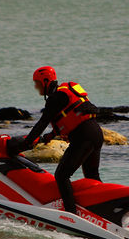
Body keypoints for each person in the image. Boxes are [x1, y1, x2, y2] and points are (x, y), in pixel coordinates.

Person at [7, 66, 103, 214]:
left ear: (46, 81)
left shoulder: (55, 98)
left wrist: (26, 144)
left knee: (61, 175)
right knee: (92, 176)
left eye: (37, 83)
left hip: (84, 137)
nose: (36, 87)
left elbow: (41, 123)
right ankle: (102, 209)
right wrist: (48, 137)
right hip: (95, 134)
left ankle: (71, 214)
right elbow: (66, 121)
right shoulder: (63, 94)